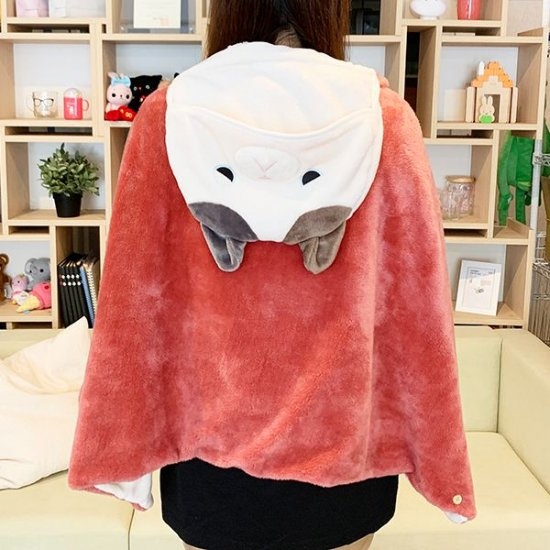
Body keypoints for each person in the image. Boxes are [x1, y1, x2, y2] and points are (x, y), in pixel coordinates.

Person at [68, 1, 476, 548]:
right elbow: (420, 311)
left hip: (208, 474)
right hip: (345, 466)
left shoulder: (169, 119)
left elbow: (131, 303)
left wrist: (121, 449)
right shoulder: (384, 121)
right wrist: (439, 458)